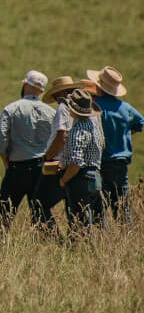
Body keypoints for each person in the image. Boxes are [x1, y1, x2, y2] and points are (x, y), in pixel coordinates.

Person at [0, 70, 56, 236]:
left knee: (5, 211)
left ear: (25, 84)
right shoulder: (51, 113)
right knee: (40, 211)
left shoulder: (11, 109)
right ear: (42, 91)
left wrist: (4, 157)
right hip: (42, 167)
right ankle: (48, 243)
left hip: (16, 167)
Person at [85, 66, 141, 222]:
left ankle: (102, 238)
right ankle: (125, 238)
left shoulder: (95, 107)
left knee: (100, 205)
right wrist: (125, 133)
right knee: (123, 206)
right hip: (121, 162)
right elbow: (140, 122)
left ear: (98, 85)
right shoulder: (125, 108)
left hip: (102, 160)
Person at [55, 89, 106, 238]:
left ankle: (81, 252)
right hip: (95, 175)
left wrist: (64, 180)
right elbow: (102, 144)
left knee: (80, 225)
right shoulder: (93, 124)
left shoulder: (77, 129)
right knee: (99, 221)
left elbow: (77, 162)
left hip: (81, 179)